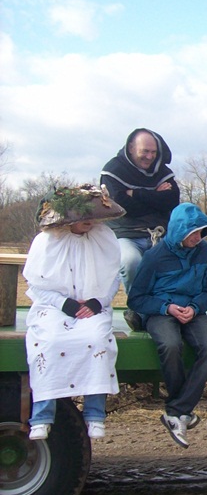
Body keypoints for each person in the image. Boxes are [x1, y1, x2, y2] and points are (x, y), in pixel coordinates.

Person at [24, 185, 125, 441]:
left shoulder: (104, 238)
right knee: (48, 342)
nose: (89, 221)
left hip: (92, 308)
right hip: (54, 308)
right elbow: (36, 283)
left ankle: (95, 414)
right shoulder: (47, 241)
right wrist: (63, 303)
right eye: (83, 216)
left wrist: (98, 302)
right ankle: (42, 417)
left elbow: (113, 277)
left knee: (97, 340)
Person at [127, 202, 207, 448]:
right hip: (162, 311)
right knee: (170, 344)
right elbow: (136, 298)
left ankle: (177, 410)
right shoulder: (154, 256)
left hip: (193, 310)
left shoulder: (205, 252)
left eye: (201, 232)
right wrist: (166, 307)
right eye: (193, 233)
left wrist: (196, 307)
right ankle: (181, 410)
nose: (198, 238)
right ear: (179, 231)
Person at [100, 128, 180, 301]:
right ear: (131, 148)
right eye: (145, 151)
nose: (150, 157)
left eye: (153, 152)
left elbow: (172, 201)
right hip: (125, 235)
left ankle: (165, 307)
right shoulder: (113, 171)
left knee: (177, 262)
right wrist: (155, 196)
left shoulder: (162, 172)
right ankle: (138, 306)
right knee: (131, 262)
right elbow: (122, 207)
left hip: (160, 234)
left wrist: (135, 193)